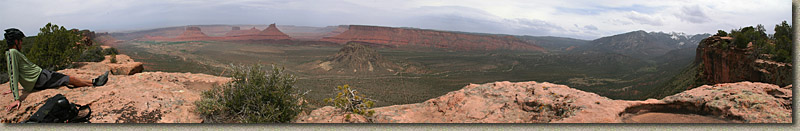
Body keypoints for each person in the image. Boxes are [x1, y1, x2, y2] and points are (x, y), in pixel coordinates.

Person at [2, 28, 109, 111]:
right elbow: (13, 73)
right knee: (68, 78)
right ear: (16, 41)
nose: (21, 43)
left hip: (40, 76)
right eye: (20, 40)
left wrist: (12, 87)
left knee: (64, 78)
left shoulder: (12, 53)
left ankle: (94, 81)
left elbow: (13, 71)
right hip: (40, 78)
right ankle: (94, 83)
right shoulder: (13, 53)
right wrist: (16, 98)